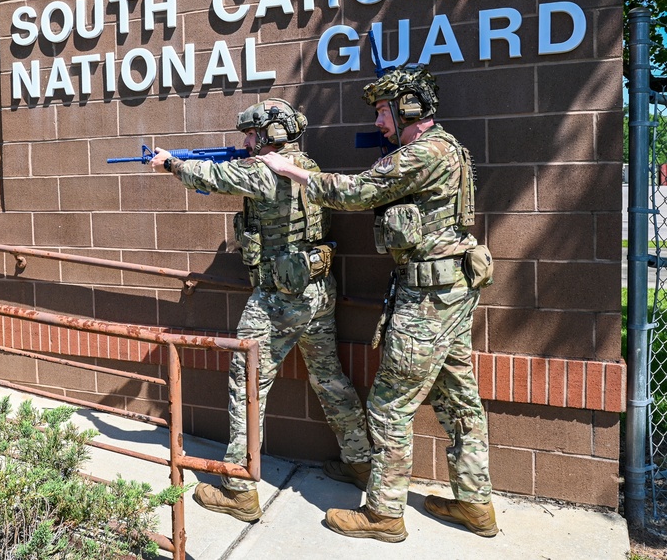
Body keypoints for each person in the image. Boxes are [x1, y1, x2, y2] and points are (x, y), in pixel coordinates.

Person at [261, 66, 497, 543]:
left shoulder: (423, 152)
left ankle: (384, 514)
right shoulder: (445, 149)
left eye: (383, 112)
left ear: (410, 107)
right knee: (458, 398)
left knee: (390, 403)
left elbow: (357, 191)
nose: (379, 123)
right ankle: (475, 504)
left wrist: (289, 169)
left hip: (429, 298)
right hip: (450, 291)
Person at [150, 98, 371, 523]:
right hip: (317, 289)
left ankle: (239, 487)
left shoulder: (265, 167)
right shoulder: (307, 164)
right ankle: (359, 460)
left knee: (245, 378)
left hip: (278, 297)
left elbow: (213, 176)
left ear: (270, 133)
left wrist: (171, 164)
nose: (247, 142)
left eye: (252, 134)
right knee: (329, 378)